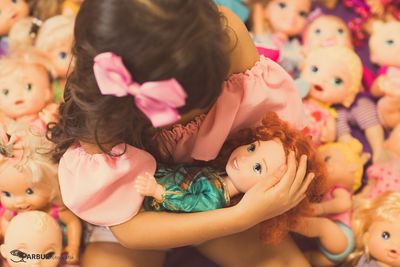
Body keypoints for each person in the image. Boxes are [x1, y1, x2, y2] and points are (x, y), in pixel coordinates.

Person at [49, 0, 312, 266]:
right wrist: (241, 217)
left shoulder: (225, 37)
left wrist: (257, 198)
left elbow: (270, 125)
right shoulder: (99, 116)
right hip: (141, 208)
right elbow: (130, 228)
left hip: (218, 186)